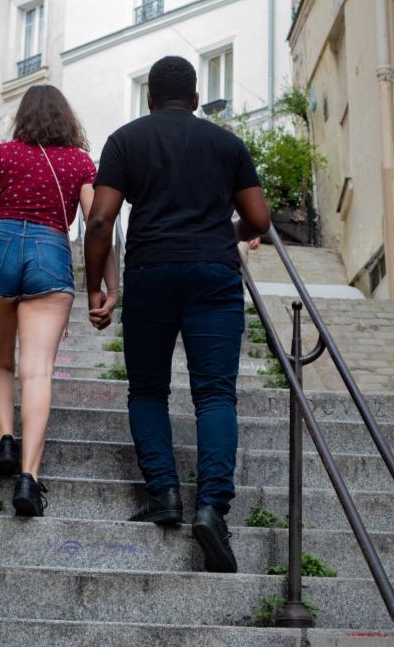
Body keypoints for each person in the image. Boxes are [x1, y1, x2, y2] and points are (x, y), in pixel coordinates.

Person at [83, 55, 270, 573]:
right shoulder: (227, 144)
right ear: (195, 98)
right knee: (215, 394)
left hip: (151, 273)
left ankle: (164, 494)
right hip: (214, 274)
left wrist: (96, 287)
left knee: (148, 390)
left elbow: (99, 220)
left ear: (149, 99)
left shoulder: (126, 140)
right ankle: (211, 509)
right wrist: (223, 232)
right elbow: (258, 219)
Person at [0, 84, 118, 516]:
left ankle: (5, 440)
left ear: (22, 117)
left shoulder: (3, 154)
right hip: (50, 256)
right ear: (67, 120)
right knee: (37, 372)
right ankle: (28, 479)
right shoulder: (80, 163)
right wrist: (110, 286)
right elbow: (98, 224)